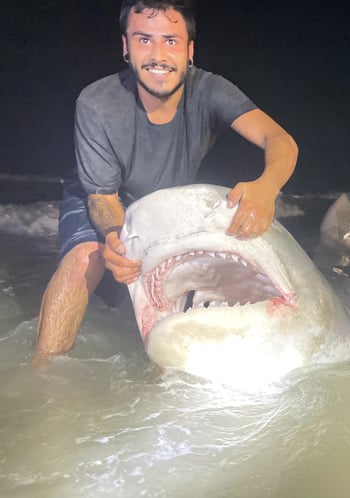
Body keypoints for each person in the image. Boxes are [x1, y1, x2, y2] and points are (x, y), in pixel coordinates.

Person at [34, 0, 298, 362]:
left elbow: (280, 140)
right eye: (144, 40)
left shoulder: (210, 90)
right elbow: (103, 197)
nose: (158, 54)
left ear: (190, 51)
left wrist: (267, 187)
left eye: (171, 41)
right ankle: (43, 371)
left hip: (161, 197)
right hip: (101, 196)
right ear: (126, 47)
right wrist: (114, 238)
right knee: (88, 256)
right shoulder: (96, 103)